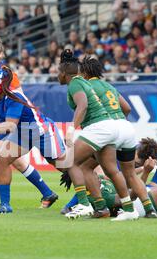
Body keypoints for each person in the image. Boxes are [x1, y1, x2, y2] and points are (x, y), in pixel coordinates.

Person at [0, 37, 58, 210]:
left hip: (9, 120)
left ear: (1, 54)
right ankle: (47, 193)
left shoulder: (8, 74)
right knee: (16, 162)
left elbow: (17, 96)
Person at [57, 49, 140, 221]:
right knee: (109, 170)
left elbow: (83, 106)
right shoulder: (84, 82)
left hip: (99, 127)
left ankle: (84, 205)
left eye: (59, 72)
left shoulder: (75, 83)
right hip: (110, 126)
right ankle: (122, 209)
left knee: (70, 161)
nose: (57, 76)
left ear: (64, 73)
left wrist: (71, 129)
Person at [77, 55, 157, 220]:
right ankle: (150, 209)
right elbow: (127, 108)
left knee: (85, 167)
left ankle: (101, 207)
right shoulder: (109, 86)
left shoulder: (85, 86)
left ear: (84, 72)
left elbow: (82, 109)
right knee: (130, 174)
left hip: (105, 131)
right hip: (125, 127)